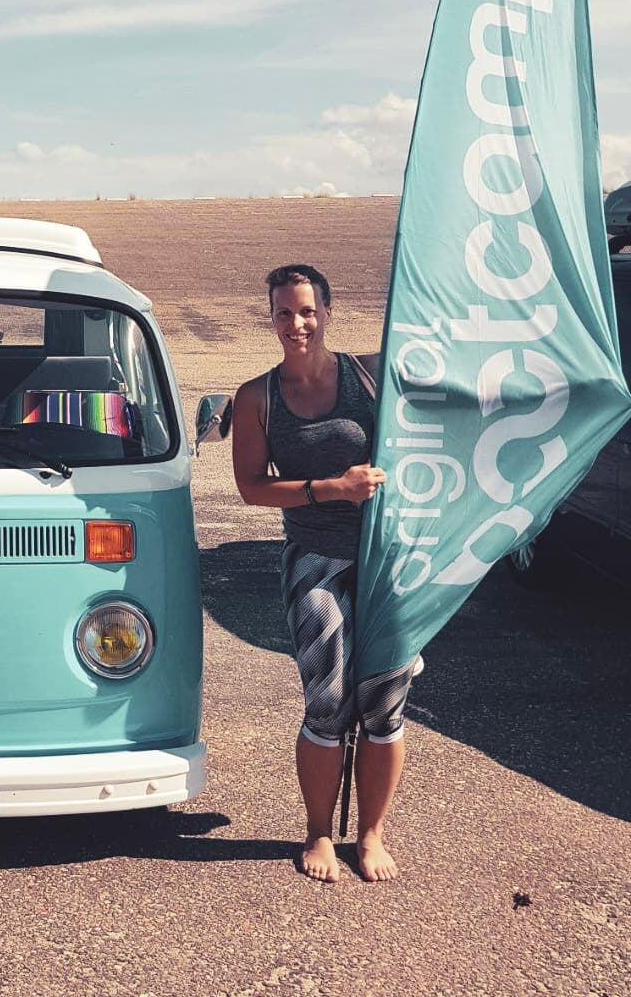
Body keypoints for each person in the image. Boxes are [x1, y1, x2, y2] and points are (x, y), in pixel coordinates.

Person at [230, 263, 417, 884]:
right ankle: (317, 833)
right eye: (284, 312)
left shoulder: (370, 374)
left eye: (307, 310)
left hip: (385, 561)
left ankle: (370, 836)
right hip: (316, 560)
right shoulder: (256, 397)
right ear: (272, 318)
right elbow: (253, 489)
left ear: (328, 312)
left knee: (386, 700)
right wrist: (331, 488)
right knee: (328, 699)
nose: (296, 323)